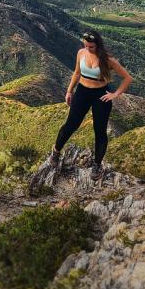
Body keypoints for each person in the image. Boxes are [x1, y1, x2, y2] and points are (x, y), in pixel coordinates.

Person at [50, 29, 133, 178]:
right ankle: (55, 152)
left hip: (100, 95)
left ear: (98, 45)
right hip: (82, 92)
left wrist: (115, 94)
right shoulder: (81, 53)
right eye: (86, 45)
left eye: (91, 47)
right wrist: (69, 91)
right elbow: (76, 73)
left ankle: (97, 165)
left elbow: (127, 78)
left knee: (100, 131)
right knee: (71, 125)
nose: (88, 49)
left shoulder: (108, 60)